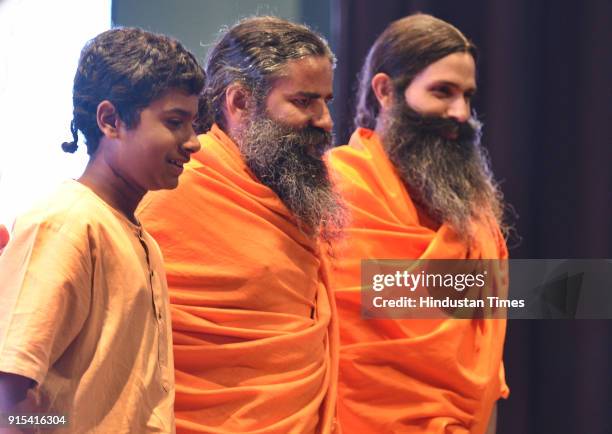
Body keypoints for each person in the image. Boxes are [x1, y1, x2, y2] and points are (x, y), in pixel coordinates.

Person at [136, 16, 345, 434]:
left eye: (326, 101)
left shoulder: (298, 192)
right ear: (239, 102)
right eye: (304, 102)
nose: (325, 120)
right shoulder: (169, 192)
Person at [0, 27, 204, 432]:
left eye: (192, 123)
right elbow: (8, 394)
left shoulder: (139, 236)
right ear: (110, 120)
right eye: (175, 122)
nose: (193, 142)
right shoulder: (65, 222)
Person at [325, 14, 509, 434]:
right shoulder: (330, 194)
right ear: (386, 91)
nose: (460, 113)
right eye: (442, 92)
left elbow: (486, 369)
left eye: (467, 96)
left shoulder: (477, 221)